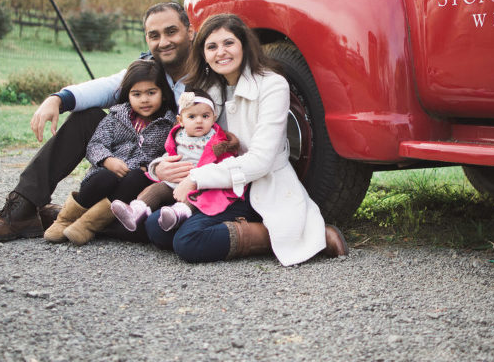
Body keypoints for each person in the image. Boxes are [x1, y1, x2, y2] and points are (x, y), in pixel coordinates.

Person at [0, 2, 196, 241]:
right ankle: (23, 208)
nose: (163, 42)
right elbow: (107, 87)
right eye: (154, 35)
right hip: (131, 165)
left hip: (176, 172)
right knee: (86, 118)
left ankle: (77, 216)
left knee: (156, 228)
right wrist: (58, 99)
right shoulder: (148, 69)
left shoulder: (207, 74)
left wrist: (162, 168)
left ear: (190, 32)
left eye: (171, 31)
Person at [144, 13, 348, 266]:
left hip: (258, 184)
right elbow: (188, 139)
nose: (221, 52)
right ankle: (252, 228)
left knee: (188, 241)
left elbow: (260, 161)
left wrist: (196, 178)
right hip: (219, 186)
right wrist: (159, 167)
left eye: (229, 43)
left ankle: (300, 235)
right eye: (212, 46)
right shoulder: (206, 89)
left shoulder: (272, 85)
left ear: (244, 45)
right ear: (203, 54)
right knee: (155, 228)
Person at [42, 59, 175, 245]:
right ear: (128, 95)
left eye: (151, 93)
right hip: (106, 172)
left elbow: (167, 154)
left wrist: (150, 168)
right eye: (136, 94)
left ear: (164, 94)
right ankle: (66, 219)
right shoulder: (116, 117)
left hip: (135, 180)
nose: (144, 99)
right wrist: (107, 160)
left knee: (136, 179)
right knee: (104, 178)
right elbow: (95, 144)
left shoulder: (168, 124)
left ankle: (89, 225)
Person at [110, 89, 240, 232]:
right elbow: (169, 155)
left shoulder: (218, 141)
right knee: (156, 189)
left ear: (213, 118)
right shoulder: (178, 136)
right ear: (181, 121)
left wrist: (203, 179)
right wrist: (158, 166)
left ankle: (178, 214)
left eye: (205, 116)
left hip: (202, 185)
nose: (199, 121)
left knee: (195, 199)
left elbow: (224, 164)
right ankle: (135, 211)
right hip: (174, 181)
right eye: (191, 116)